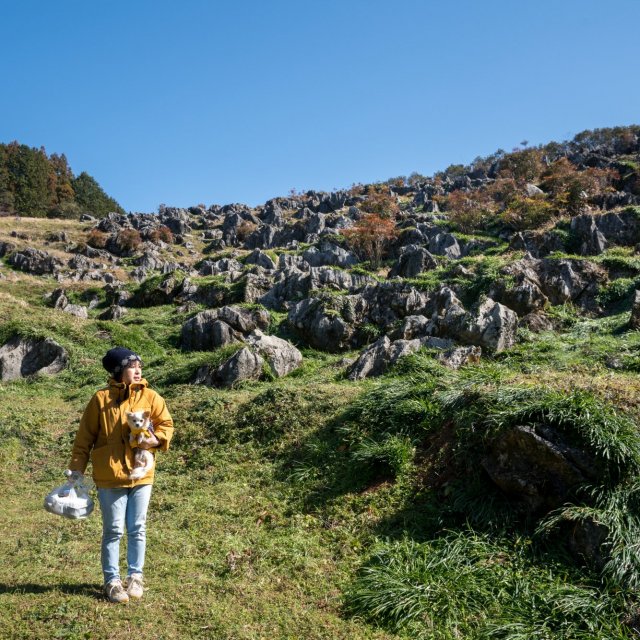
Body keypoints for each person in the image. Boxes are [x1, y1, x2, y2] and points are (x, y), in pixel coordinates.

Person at [68, 347, 174, 604]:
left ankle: (135, 576)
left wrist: (155, 440)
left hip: (142, 474)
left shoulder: (151, 397)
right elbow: (84, 438)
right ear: (118, 371)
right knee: (113, 529)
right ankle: (112, 581)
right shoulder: (100, 400)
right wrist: (75, 471)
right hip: (110, 475)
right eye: (131, 366)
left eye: (139, 366)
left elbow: (166, 425)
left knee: (138, 527)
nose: (138, 370)